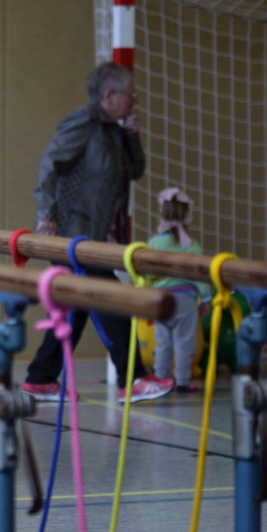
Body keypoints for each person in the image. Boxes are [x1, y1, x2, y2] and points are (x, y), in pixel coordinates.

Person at [24, 61, 174, 404]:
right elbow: (49, 165)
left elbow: (135, 171)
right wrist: (46, 215)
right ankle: (132, 379)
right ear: (109, 96)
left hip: (91, 235)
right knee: (110, 298)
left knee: (73, 308)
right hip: (70, 235)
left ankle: (40, 378)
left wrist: (131, 136)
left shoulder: (112, 130)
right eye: (130, 94)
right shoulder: (84, 122)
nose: (135, 100)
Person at [147, 188, 212, 393]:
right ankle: (183, 381)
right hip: (185, 300)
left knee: (162, 341)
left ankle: (161, 379)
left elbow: (148, 273)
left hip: (161, 299)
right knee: (185, 342)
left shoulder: (154, 243)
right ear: (187, 216)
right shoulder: (191, 245)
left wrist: (150, 293)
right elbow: (200, 275)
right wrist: (206, 299)